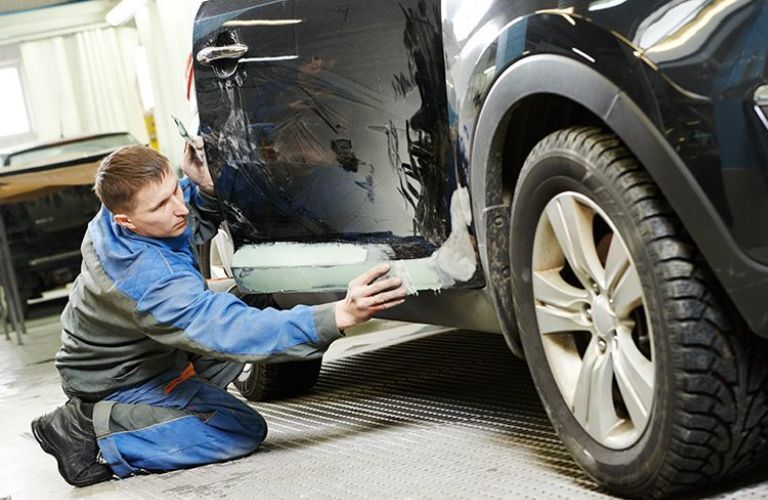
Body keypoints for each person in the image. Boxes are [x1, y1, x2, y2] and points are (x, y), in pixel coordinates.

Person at [30, 139, 407, 486]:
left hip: (151, 351)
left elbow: (181, 223)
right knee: (238, 428)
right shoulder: (147, 280)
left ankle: (147, 403)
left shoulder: (120, 216)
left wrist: (202, 188)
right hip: (119, 379)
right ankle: (87, 429)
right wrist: (337, 316)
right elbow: (228, 329)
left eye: (175, 190)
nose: (178, 208)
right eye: (161, 205)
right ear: (125, 221)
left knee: (255, 299)